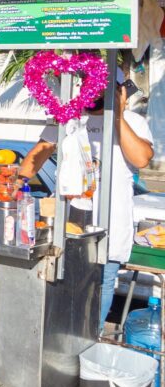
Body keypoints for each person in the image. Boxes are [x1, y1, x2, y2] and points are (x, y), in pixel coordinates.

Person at [20, 71, 153, 329]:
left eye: (103, 88)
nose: (95, 93)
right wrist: (14, 182)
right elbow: (34, 160)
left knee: (99, 290)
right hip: (69, 226)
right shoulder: (69, 118)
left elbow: (141, 159)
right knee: (60, 289)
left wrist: (117, 115)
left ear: (117, 91)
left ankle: (91, 341)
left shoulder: (132, 121)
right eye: (90, 86)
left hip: (111, 225)